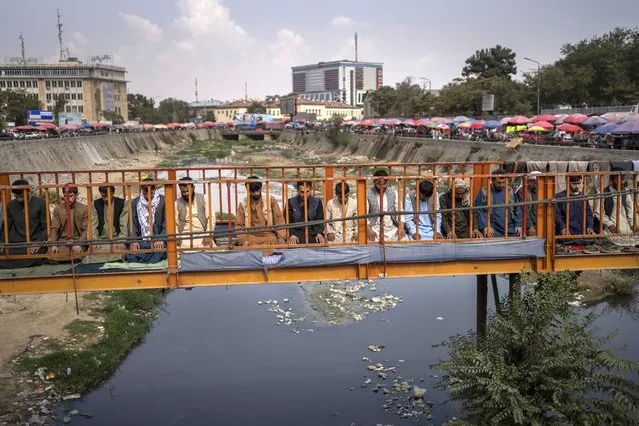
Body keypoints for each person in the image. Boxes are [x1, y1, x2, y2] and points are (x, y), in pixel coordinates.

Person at [0, 180, 49, 269]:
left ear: (28, 192)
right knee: (3, 256)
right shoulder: (11, 205)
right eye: (16, 197)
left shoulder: (41, 203)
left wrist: (38, 243)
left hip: (33, 242)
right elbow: (6, 227)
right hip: (15, 244)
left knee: (36, 256)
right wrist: (2, 243)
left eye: (22, 196)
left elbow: (46, 227)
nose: (19, 199)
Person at [236, 176, 286, 246]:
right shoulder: (243, 204)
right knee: (248, 246)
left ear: (261, 188)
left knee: (274, 242)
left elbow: (279, 221)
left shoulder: (270, 200)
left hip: (268, 235)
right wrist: (243, 240)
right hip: (252, 236)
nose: (256, 193)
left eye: (257, 190)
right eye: (253, 191)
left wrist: (281, 238)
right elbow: (239, 226)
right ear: (248, 190)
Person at [85, 185, 129, 264]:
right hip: (100, 240)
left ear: (113, 193)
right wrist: (94, 241)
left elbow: (124, 224)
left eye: (108, 196)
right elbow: (92, 224)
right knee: (90, 256)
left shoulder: (122, 203)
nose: (105, 199)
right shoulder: (95, 204)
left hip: (116, 239)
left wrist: (121, 241)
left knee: (118, 255)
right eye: (103, 196)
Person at [127, 178, 167, 263]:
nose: (149, 192)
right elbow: (132, 223)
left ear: (155, 187)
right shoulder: (135, 202)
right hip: (141, 239)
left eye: (152, 188)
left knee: (159, 252)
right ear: (142, 189)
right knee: (132, 254)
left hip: (158, 238)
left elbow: (166, 222)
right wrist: (134, 241)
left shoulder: (164, 201)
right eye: (145, 190)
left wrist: (161, 239)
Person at [474, 169, 522, 238]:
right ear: (492, 180)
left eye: (503, 182)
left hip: (509, 227)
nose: (502, 185)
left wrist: (518, 225)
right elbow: (478, 210)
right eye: (499, 183)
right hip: (492, 227)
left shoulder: (510, 191)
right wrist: (485, 226)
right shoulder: (484, 191)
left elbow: (517, 208)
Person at [597, 167, 638, 248]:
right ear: (611, 180)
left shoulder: (625, 192)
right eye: (619, 179)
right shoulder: (602, 193)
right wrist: (610, 225)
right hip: (611, 228)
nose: (622, 182)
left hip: (626, 228)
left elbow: (630, 211)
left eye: (623, 179)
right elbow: (599, 213)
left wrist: (633, 224)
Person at [48, 186, 88, 261]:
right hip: (62, 242)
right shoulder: (58, 209)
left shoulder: (84, 208)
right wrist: (54, 244)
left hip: (78, 240)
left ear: (76, 195)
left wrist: (79, 244)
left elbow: (86, 230)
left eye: (71, 196)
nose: (68, 199)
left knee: (77, 255)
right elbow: (54, 229)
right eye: (65, 196)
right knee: (51, 255)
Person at [175, 177, 215, 249]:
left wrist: (208, 234)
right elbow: (174, 223)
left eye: (188, 191)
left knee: (209, 248)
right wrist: (177, 236)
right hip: (184, 235)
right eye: (183, 192)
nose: (186, 194)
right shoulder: (177, 203)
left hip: (202, 233)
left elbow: (211, 218)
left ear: (193, 188)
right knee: (178, 250)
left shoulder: (204, 198)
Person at [367, 169, 404, 241]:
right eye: (379, 184)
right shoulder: (367, 194)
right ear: (374, 182)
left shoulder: (394, 192)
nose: (382, 186)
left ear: (387, 182)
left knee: (403, 241)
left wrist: (401, 228)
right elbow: (364, 215)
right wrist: (369, 230)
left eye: (384, 184)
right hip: (375, 229)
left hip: (391, 229)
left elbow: (400, 212)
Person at [516, 171, 541, 237]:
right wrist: (530, 226)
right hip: (528, 224)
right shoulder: (522, 191)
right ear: (530, 182)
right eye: (535, 183)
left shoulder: (543, 190)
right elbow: (524, 210)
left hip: (540, 222)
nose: (538, 185)